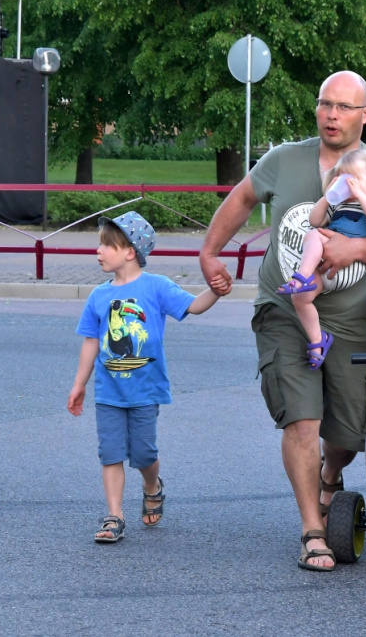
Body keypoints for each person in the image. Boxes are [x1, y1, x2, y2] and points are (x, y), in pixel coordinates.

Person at [199, 71, 366, 572]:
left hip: (349, 317)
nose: (332, 115)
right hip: (285, 310)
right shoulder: (284, 159)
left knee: (347, 434)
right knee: (302, 418)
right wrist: (210, 253)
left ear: (365, 115)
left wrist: (354, 249)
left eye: (344, 107)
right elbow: (241, 198)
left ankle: (330, 475)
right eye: (325, 104)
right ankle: (312, 531)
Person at [67, 211, 229, 543]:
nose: (98, 251)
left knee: (144, 455)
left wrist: (215, 290)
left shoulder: (156, 286)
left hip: (146, 390)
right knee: (110, 453)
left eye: (106, 246)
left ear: (130, 252)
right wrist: (79, 384)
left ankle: (152, 485)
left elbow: (193, 306)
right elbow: (91, 342)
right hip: (108, 392)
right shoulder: (98, 296)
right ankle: (114, 516)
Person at [277, 149, 366, 368]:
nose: (348, 186)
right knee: (300, 298)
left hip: (349, 268)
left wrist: (361, 195)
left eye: (354, 180)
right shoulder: (338, 205)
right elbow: (315, 220)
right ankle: (318, 341)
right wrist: (327, 196)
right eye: (343, 179)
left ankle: (301, 276)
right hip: (326, 270)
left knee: (315, 236)